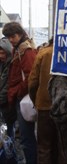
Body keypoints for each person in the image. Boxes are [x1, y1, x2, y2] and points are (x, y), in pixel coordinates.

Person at [2, 22, 37, 164]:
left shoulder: (26, 51)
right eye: (8, 37)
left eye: (13, 36)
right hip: (20, 97)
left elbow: (31, 77)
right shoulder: (19, 48)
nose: (10, 39)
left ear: (20, 34)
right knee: (24, 137)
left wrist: (17, 92)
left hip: (23, 99)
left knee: (26, 138)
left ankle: (31, 161)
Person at [28, 38, 58, 164]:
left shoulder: (44, 53)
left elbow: (32, 82)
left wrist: (36, 100)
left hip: (45, 106)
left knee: (44, 147)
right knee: (62, 146)